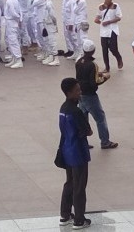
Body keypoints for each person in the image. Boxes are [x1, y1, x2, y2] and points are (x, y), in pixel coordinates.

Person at [57, 77, 92, 230]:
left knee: (70, 182)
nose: (80, 92)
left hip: (66, 149)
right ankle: (79, 219)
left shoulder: (63, 108)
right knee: (79, 186)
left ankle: (65, 215)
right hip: (78, 152)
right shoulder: (76, 111)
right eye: (77, 90)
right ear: (69, 92)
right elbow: (87, 131)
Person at [75, 40, 117, 150]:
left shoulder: (79, 62)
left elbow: (81, 76)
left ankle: (82, 142)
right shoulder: (92, 65)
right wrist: (105, 78)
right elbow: (94, 83)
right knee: (100, 118)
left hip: (80, 94)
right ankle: (105, 141)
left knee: (83, 119)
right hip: (90, 95)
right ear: (93, 51)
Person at [94, 0, 123, 72]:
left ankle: (118, 57)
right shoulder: (101, 7)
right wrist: (98, 21)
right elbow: (98, 17)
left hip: (113, 29)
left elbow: (119, 17)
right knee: (104, 49)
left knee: (113, 48)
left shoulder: (115, 6)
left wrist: (109, 21)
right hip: (104, 31)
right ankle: (107, 67)